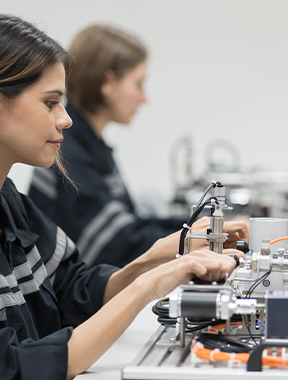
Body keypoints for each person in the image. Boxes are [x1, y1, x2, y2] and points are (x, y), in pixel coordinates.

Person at [0, 14, 246, 380]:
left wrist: (159, 257)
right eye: (51, 103)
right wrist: (147, 285)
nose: (65, 119)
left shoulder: (4, 200)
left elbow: (71, 290)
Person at [28, 24, 247, 268]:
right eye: (138, 84)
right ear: (108, 82)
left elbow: (132, 225)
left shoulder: (91, 146)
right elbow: (118, 245)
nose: (144, 98)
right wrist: (200, 237)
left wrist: (203, 226)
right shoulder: (69, 151)